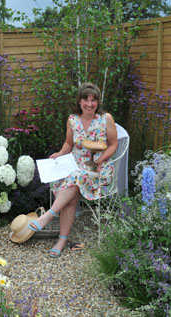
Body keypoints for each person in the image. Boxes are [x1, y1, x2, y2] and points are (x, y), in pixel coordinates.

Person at [28, 82, 118, 257]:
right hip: (75, 165)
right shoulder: (72, 119)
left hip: (99, 168)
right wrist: (60, 154)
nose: (89, 104)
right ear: (79, 101)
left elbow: (113, 144)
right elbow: (69, 143)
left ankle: (49, 216)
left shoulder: (105, 118)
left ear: (98, 102)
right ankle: (61, 240)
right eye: (85, 100)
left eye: (93, 100)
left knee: (76, 178)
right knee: (72, 186)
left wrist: (102, 158)